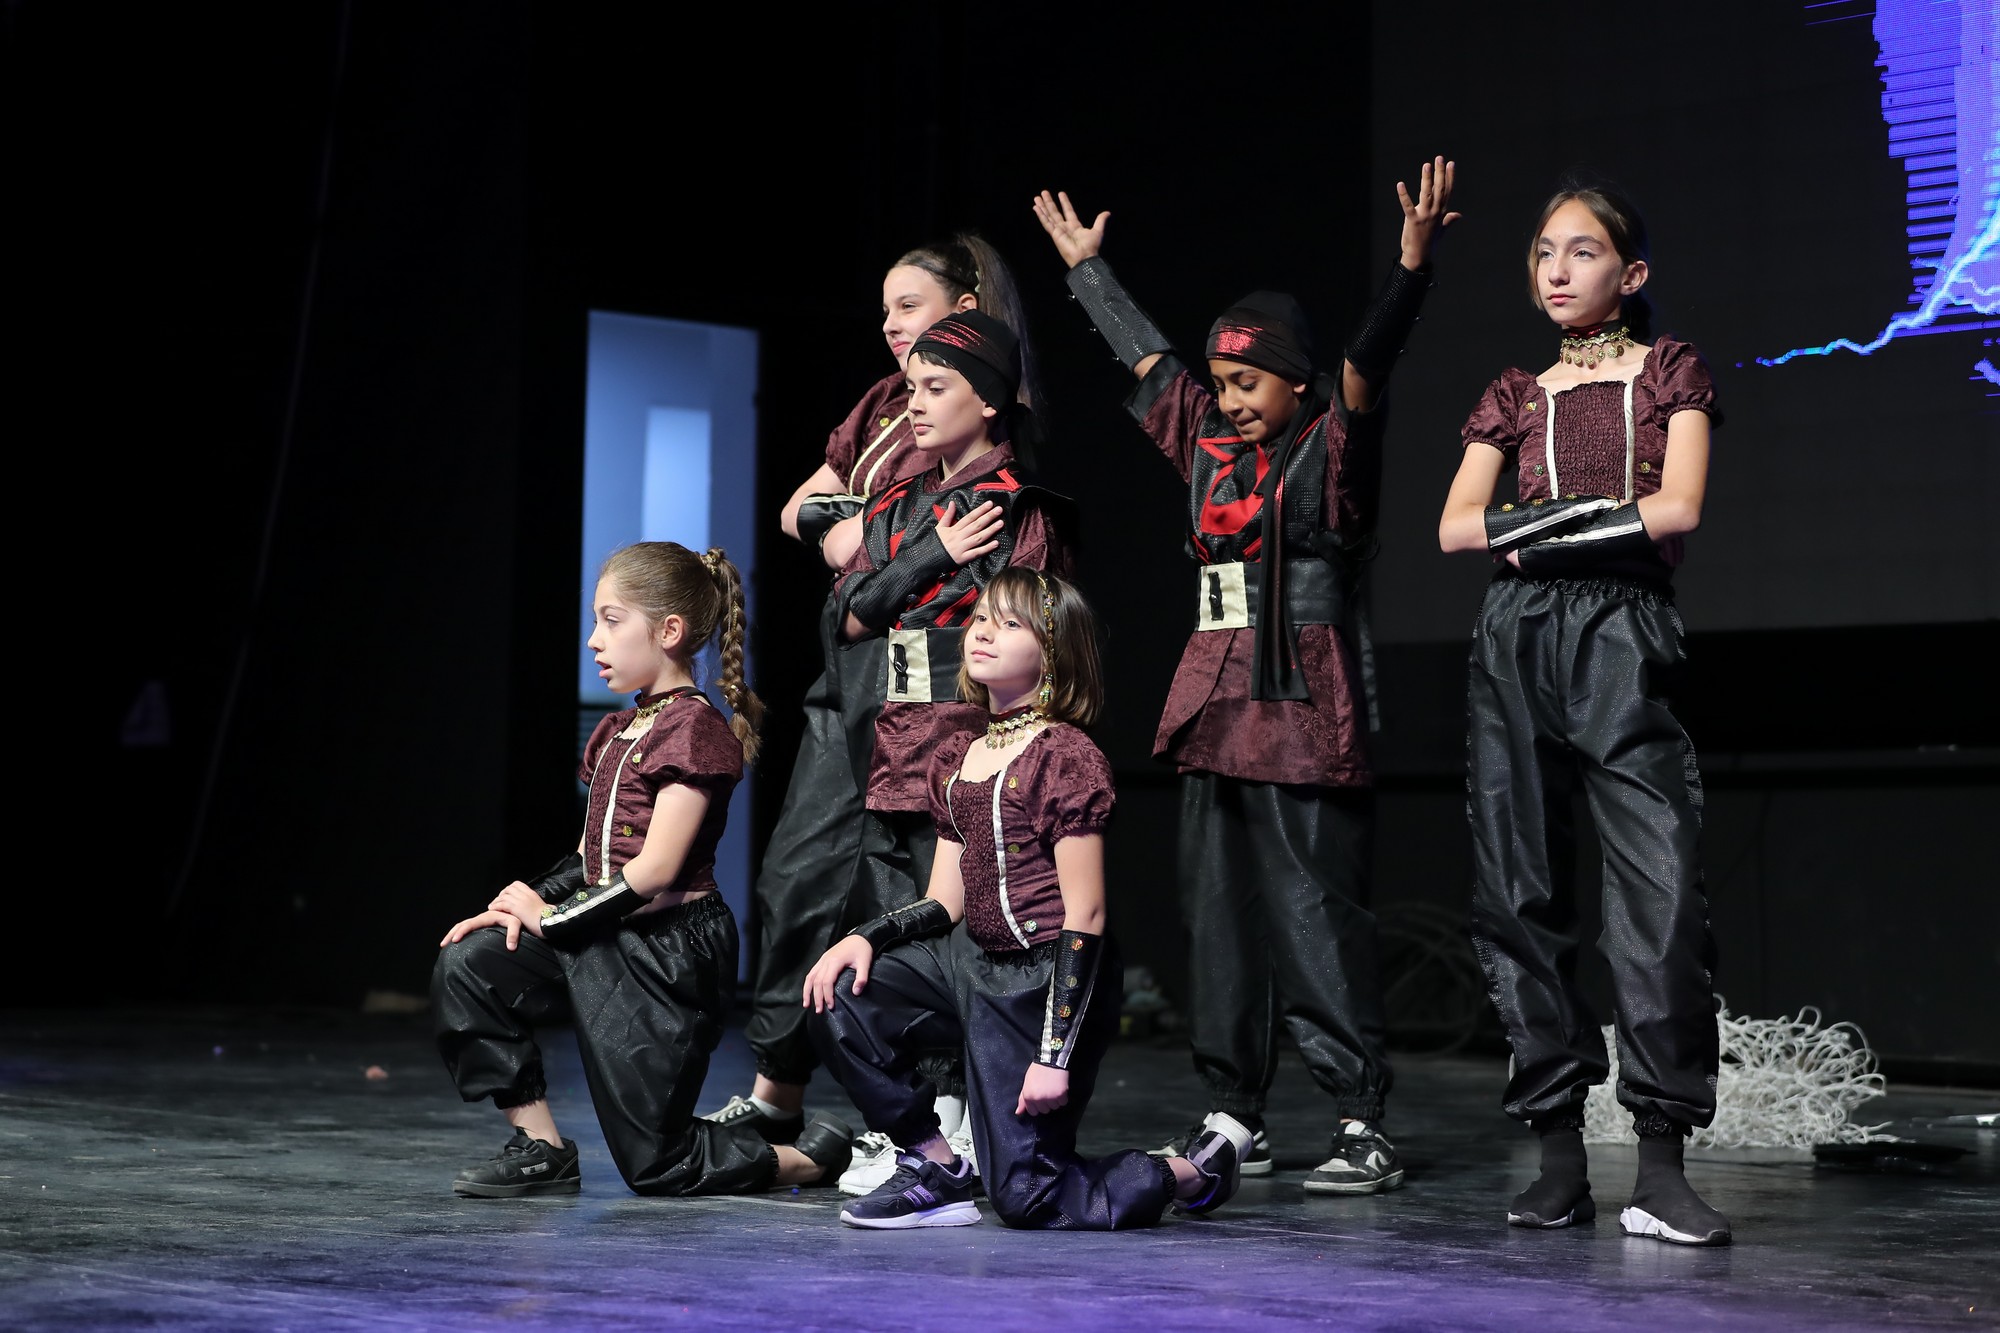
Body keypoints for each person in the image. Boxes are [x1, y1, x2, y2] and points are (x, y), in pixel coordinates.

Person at [1030, 160, 1457, 1196]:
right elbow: (1151, 363)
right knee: (1216, 911)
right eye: (1221, 387)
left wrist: (1409, 269)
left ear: (1294, 383)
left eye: (1246, 385)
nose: (1226, 402)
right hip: (1212, 692)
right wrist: (1089, 274)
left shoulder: (1332, 444)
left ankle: (1358, 1114)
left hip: (1300, 694)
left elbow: (1367, 365)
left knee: (1312, 908)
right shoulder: (1210, 448)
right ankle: (1234, 1107)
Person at [707, 237, 1041, 1186]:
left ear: (964, 311)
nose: (892, 327)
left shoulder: (978, 430)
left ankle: (935, 1108)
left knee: (915, 891)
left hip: (938, 685)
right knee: (798, 876)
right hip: (855, 675)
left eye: (910, 306)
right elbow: (805, 523)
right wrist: (865, 533)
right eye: (886, 310)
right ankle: (778, 1089)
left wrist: (867, 541)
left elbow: (910, 561)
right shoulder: (883, 408)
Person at [1436, 181, 1729, 1246]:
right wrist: (1600, 517)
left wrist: (1537, 528)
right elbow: (1455, 528)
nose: (1556, 270)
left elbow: (1679, 506)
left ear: (1630, 272)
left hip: (1622, 634)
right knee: (1522, 885)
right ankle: (1558, 1156)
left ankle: (1659, 1163)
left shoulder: (1668, 371)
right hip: (1515, 638)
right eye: (1543, 252)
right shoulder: (1513, 391)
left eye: (1583, 251)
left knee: (1658, 889)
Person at [805, 568, 1257, 1229]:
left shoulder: (1065, 756)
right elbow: (946, 901)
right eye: (981, 617)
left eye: (1010, 623)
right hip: (971, 963)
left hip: (1046, 982)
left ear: (1053, 653)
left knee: (1028, 1198)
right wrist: (864, 937)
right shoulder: (958, 756)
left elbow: (1086, 912)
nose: (983, 632)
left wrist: (1053, 1054)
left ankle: (1195, 1168)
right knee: (841, 992)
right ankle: (934, 1163)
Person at [432, 541, 853, 1198]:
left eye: (611, 620)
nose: (594, 640)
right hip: (602, 929)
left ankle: (808, 1159)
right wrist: (517, 907)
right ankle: (542, 1147)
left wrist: (552, 921)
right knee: (472, 963)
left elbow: (654, 872)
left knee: (657, 1164)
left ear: (669, 631)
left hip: (669, 953)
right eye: (596, 622)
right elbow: (588, 858)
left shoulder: (694, 730)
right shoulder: (618, 730)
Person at [818, 307, 1079, 1192]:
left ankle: (965, 1112)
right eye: (911, 389)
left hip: (965, 747)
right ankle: (919, 1133)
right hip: (892, 744)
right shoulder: (901, 501)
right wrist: (926, 556)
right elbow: (845, 618)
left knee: (965, 936)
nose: (915, 406)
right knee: (888, 938)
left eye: (936, 388)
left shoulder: (1015, 508)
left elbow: (1029, 640)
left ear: (990, 402)